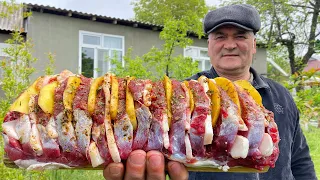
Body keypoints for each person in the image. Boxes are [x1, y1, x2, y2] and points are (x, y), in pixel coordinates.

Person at [103, 4, 317, 180]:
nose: (230, 45)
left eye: (240, 36)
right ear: (209, 45)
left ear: (253, 45)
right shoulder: (181, 95)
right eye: (220, 37)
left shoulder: (281, 96)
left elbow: (299, 160)